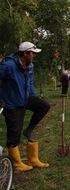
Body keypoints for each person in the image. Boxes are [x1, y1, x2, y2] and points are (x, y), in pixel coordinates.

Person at [0, 41, 50, 171]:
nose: (34, 55)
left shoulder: (29, 66)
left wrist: (33, 96)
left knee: (44, 106)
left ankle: (32, 153)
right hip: (12, 103)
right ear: (26, 53)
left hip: (26, 98)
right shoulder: (9, 66)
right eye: (33, 53)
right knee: (14, 133)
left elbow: (30, 83)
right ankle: (16, 163)